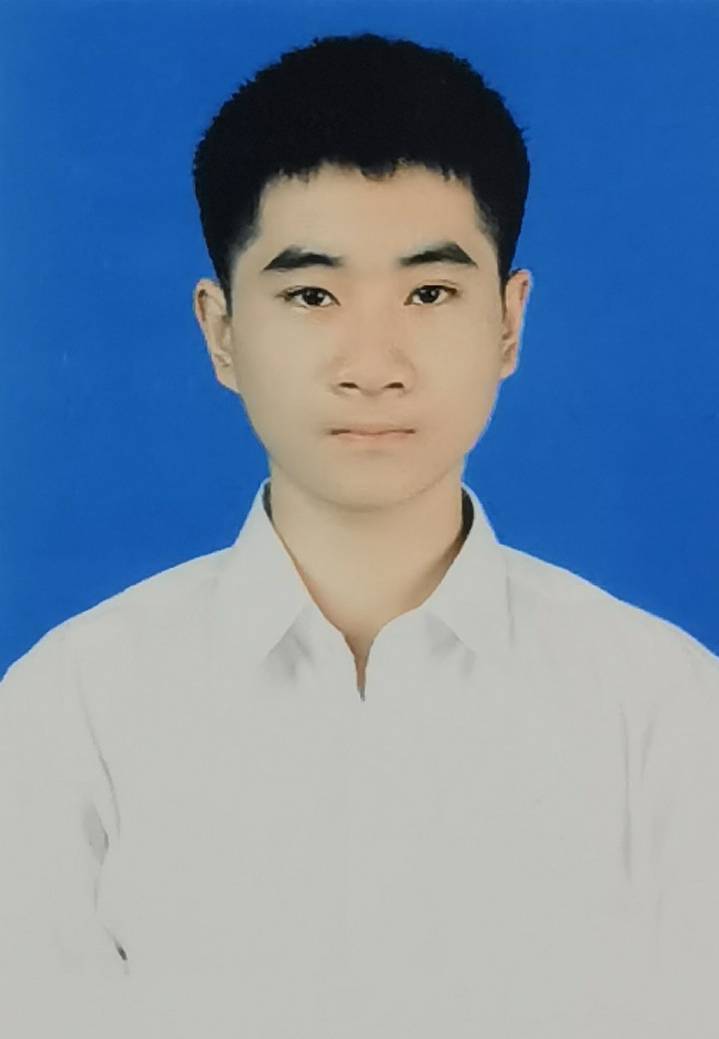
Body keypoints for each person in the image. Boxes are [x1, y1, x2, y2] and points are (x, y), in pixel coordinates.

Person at [1, 31, 718, 1038]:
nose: (372, 364)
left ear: (507, 322)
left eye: (429, 292)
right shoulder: (69, 712)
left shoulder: (666, 711)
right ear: (220, 331)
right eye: (311, 295)